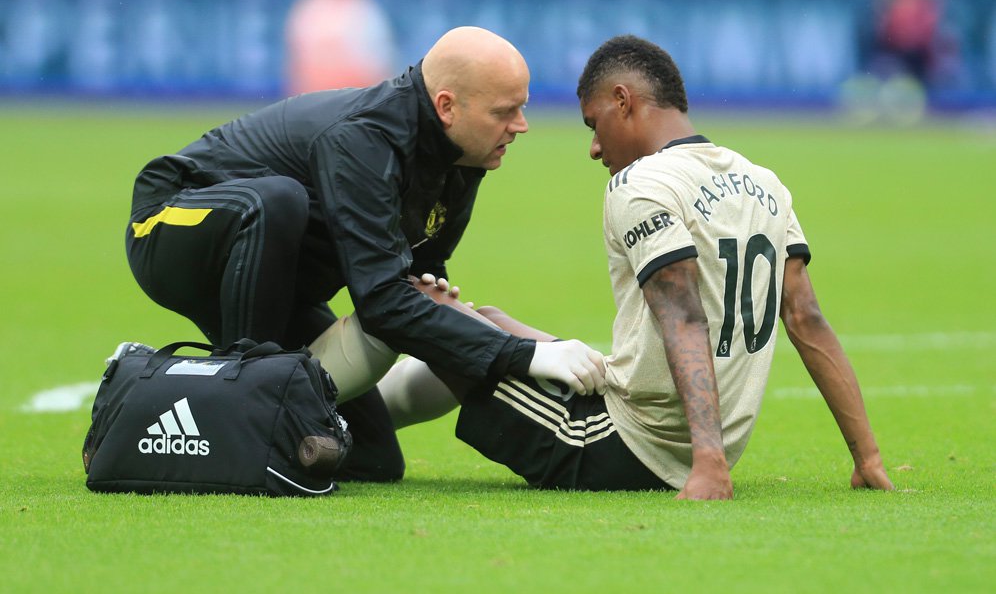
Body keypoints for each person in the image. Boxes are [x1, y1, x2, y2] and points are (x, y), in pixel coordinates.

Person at [378, 35, 894, 499]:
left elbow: (683, 317)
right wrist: (867, 458)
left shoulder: (642, 185)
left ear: (623, 101)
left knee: (428, 308)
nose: (595, 148)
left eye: (594, 123)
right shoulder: (764, 182)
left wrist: (709, 464)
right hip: (677, 430)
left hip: (620, 444)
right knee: (485, 317)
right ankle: (366, 418)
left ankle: (349, 427)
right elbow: (806, 318)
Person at [124, 26, 605, 482]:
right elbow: (381, 304)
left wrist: (454, 327)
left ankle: (257, 406)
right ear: (446, 106)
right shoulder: (365, 139)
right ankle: (242, 403)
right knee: (275, 201)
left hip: (276, 282)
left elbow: (413, 284)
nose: (521, 125)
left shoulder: (462, 157)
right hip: (168, 225)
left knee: (373, 457)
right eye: (505, 111)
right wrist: (523, 356)